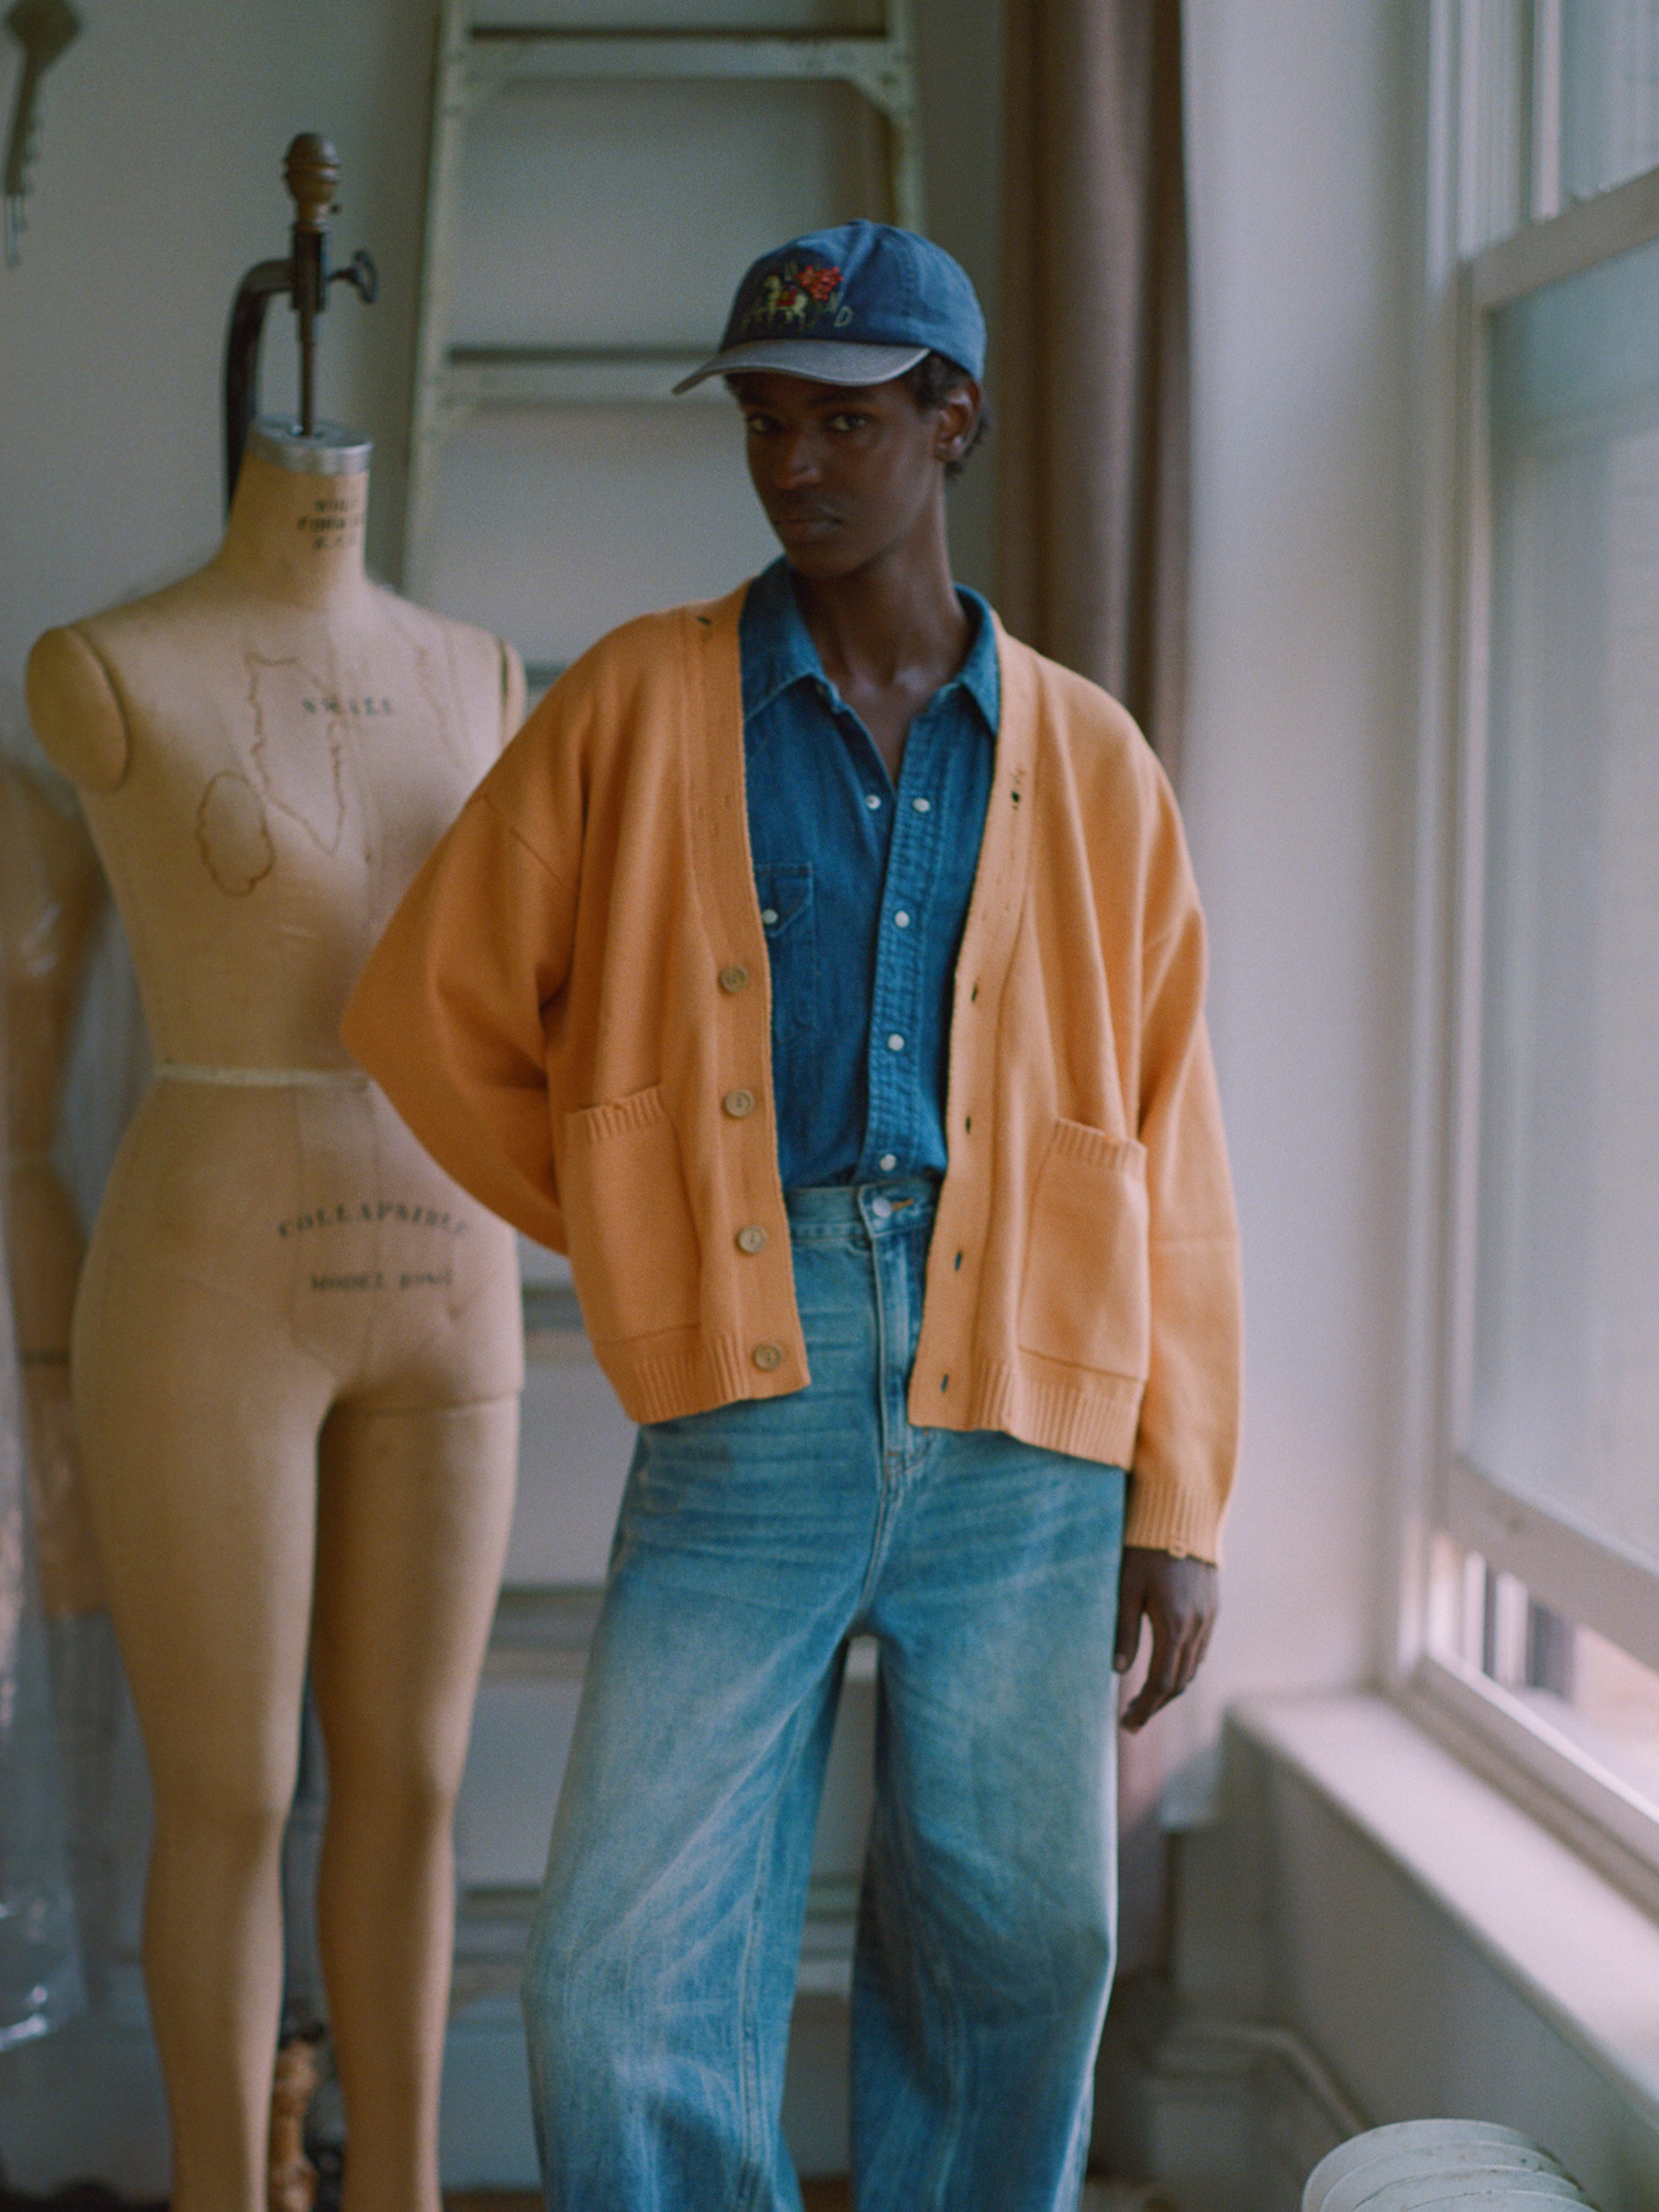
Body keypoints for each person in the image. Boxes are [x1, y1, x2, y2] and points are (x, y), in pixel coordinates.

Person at [340, 221, 1241, 2212]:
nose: (796, 466)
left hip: (1031, 1418)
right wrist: (644, 1220)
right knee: (612, 1977)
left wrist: (1179, 1504)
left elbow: (1171, 1152)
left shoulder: (1090, 761)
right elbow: (428, 1011)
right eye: (763, 424)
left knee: (1026, 1951)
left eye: (841, 422)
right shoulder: (642, 710)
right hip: (753, 1399)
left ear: (953, 420)